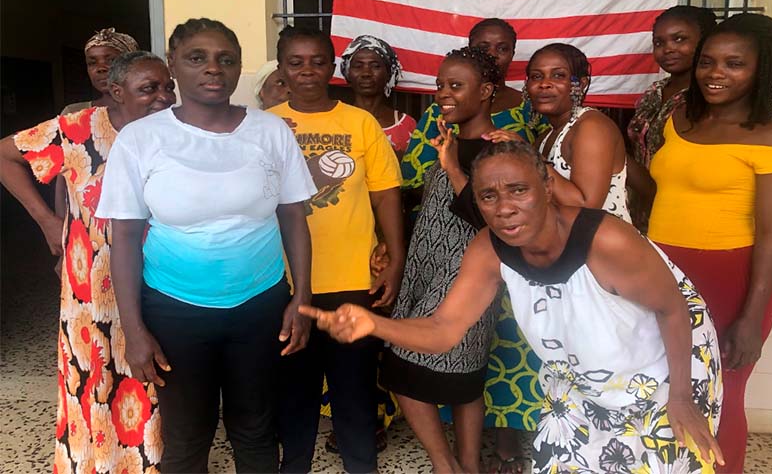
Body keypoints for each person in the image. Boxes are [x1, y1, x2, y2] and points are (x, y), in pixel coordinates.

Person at [303, 140, 725, 474]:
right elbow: (444, 330)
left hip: (663, 367)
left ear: (546, 186)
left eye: (518, 190)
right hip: (577, 375)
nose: (503, 208)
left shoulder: (606, 241)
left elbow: (674, 310)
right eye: (487, 196)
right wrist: (372, 324)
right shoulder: (489, 248)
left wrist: (683, 397)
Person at [95, 18, 316, 474]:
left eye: (226, 59)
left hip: (260, 305)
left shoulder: (271, 132)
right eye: (197, 58)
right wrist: (133, 330)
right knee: (187, 435)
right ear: (173, 65)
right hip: (173, 310)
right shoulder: (141, 139)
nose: (213, 69)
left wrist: (302, 297)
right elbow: (125, 241)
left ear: (239, 70)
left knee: (255, 429)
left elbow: (294, 217)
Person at [0, 50, 175, 474]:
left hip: (161, 278)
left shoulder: (178, 131)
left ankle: (152, 462)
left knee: (155, 372)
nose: (163, 97)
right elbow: (6, 155)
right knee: (93, 372)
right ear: (116, 93)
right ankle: (95, 461)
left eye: (168, 86)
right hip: (90, 281)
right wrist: (46, 222)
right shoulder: (77, 130)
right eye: (150, 89)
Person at [648, 12, 772, 474]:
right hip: (660, 273)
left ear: (763, 70)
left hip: (730, 279)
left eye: (735, 64)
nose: (716, 74)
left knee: (721, 395)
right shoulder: (680, 119)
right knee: (662, 388)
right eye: (708, 61)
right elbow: (659, 191)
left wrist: (750, 320)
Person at [270, 26, 404, 474]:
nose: (307, 70)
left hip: (352, 280)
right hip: (284, 285)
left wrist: (395, 259)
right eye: (296, 62)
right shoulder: (265, 124)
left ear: (333, 67)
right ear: (281, 67)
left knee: (355, 392)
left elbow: (386, 194)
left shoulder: (360, 122)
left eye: (317, 61)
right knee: (294, 393)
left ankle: (361, 467)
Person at [380, 46, 505, 474]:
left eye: (455, 86)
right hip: (426, 273)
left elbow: (494, 220)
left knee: (404, 367)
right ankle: (465, 467)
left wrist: (452, 167)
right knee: (464, 381)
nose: (442, 94)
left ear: (486, 91)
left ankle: (446, 466)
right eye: (438, 85)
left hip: (466, 281)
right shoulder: (452, 139)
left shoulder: (498, 150)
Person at [401, 18, 548, 191]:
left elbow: (543, 171)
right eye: (483, 48)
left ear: (512, 54)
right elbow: (412, 178)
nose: (492, 54)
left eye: (502, 48)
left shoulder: (532, 107)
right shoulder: (441, 109)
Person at [53, 29, 140, 271]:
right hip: (87, 237)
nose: (101, 68)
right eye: (93, 62)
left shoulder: (148, 112)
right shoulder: (73, 114)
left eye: (111, 60)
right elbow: (65, 183)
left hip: (138, 233)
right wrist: (61, 234)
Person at [626, 6, 717, 231]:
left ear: (705, 43)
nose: (668, 49)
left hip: (680, 214)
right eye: (659, 43)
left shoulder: (709, 98)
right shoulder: (653, 92)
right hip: (639, 210)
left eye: (679, 39)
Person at [529, 43, 631, 222]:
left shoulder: (592, 126)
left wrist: (528, 155)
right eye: (536, 76)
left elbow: (586, 209)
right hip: (567, 245)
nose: (544, 84)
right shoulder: (545, 137)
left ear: (581, 84)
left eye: (558, 75)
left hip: (604, 246)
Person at [340, 34, 417, 158]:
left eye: (375, 66)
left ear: (389, 73)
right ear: (348, 73)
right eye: (358, 66)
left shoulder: (407, 125)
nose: (366, 73)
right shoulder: (336, 120)